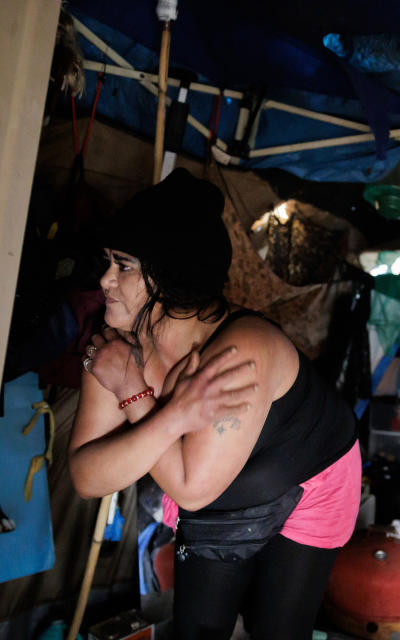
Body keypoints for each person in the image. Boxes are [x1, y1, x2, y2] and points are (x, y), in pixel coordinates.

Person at [68, 168, 361, 640]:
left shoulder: (239, 351)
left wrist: (134, 396)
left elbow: (191, 488)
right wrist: (171, 415)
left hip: (307, 476)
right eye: (107, 262)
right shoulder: (118, 352)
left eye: (123, 266)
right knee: (198, 629)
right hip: (212, 482)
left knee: (278, 631)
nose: (104, 280)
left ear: (171, 275)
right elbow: (87, 477)